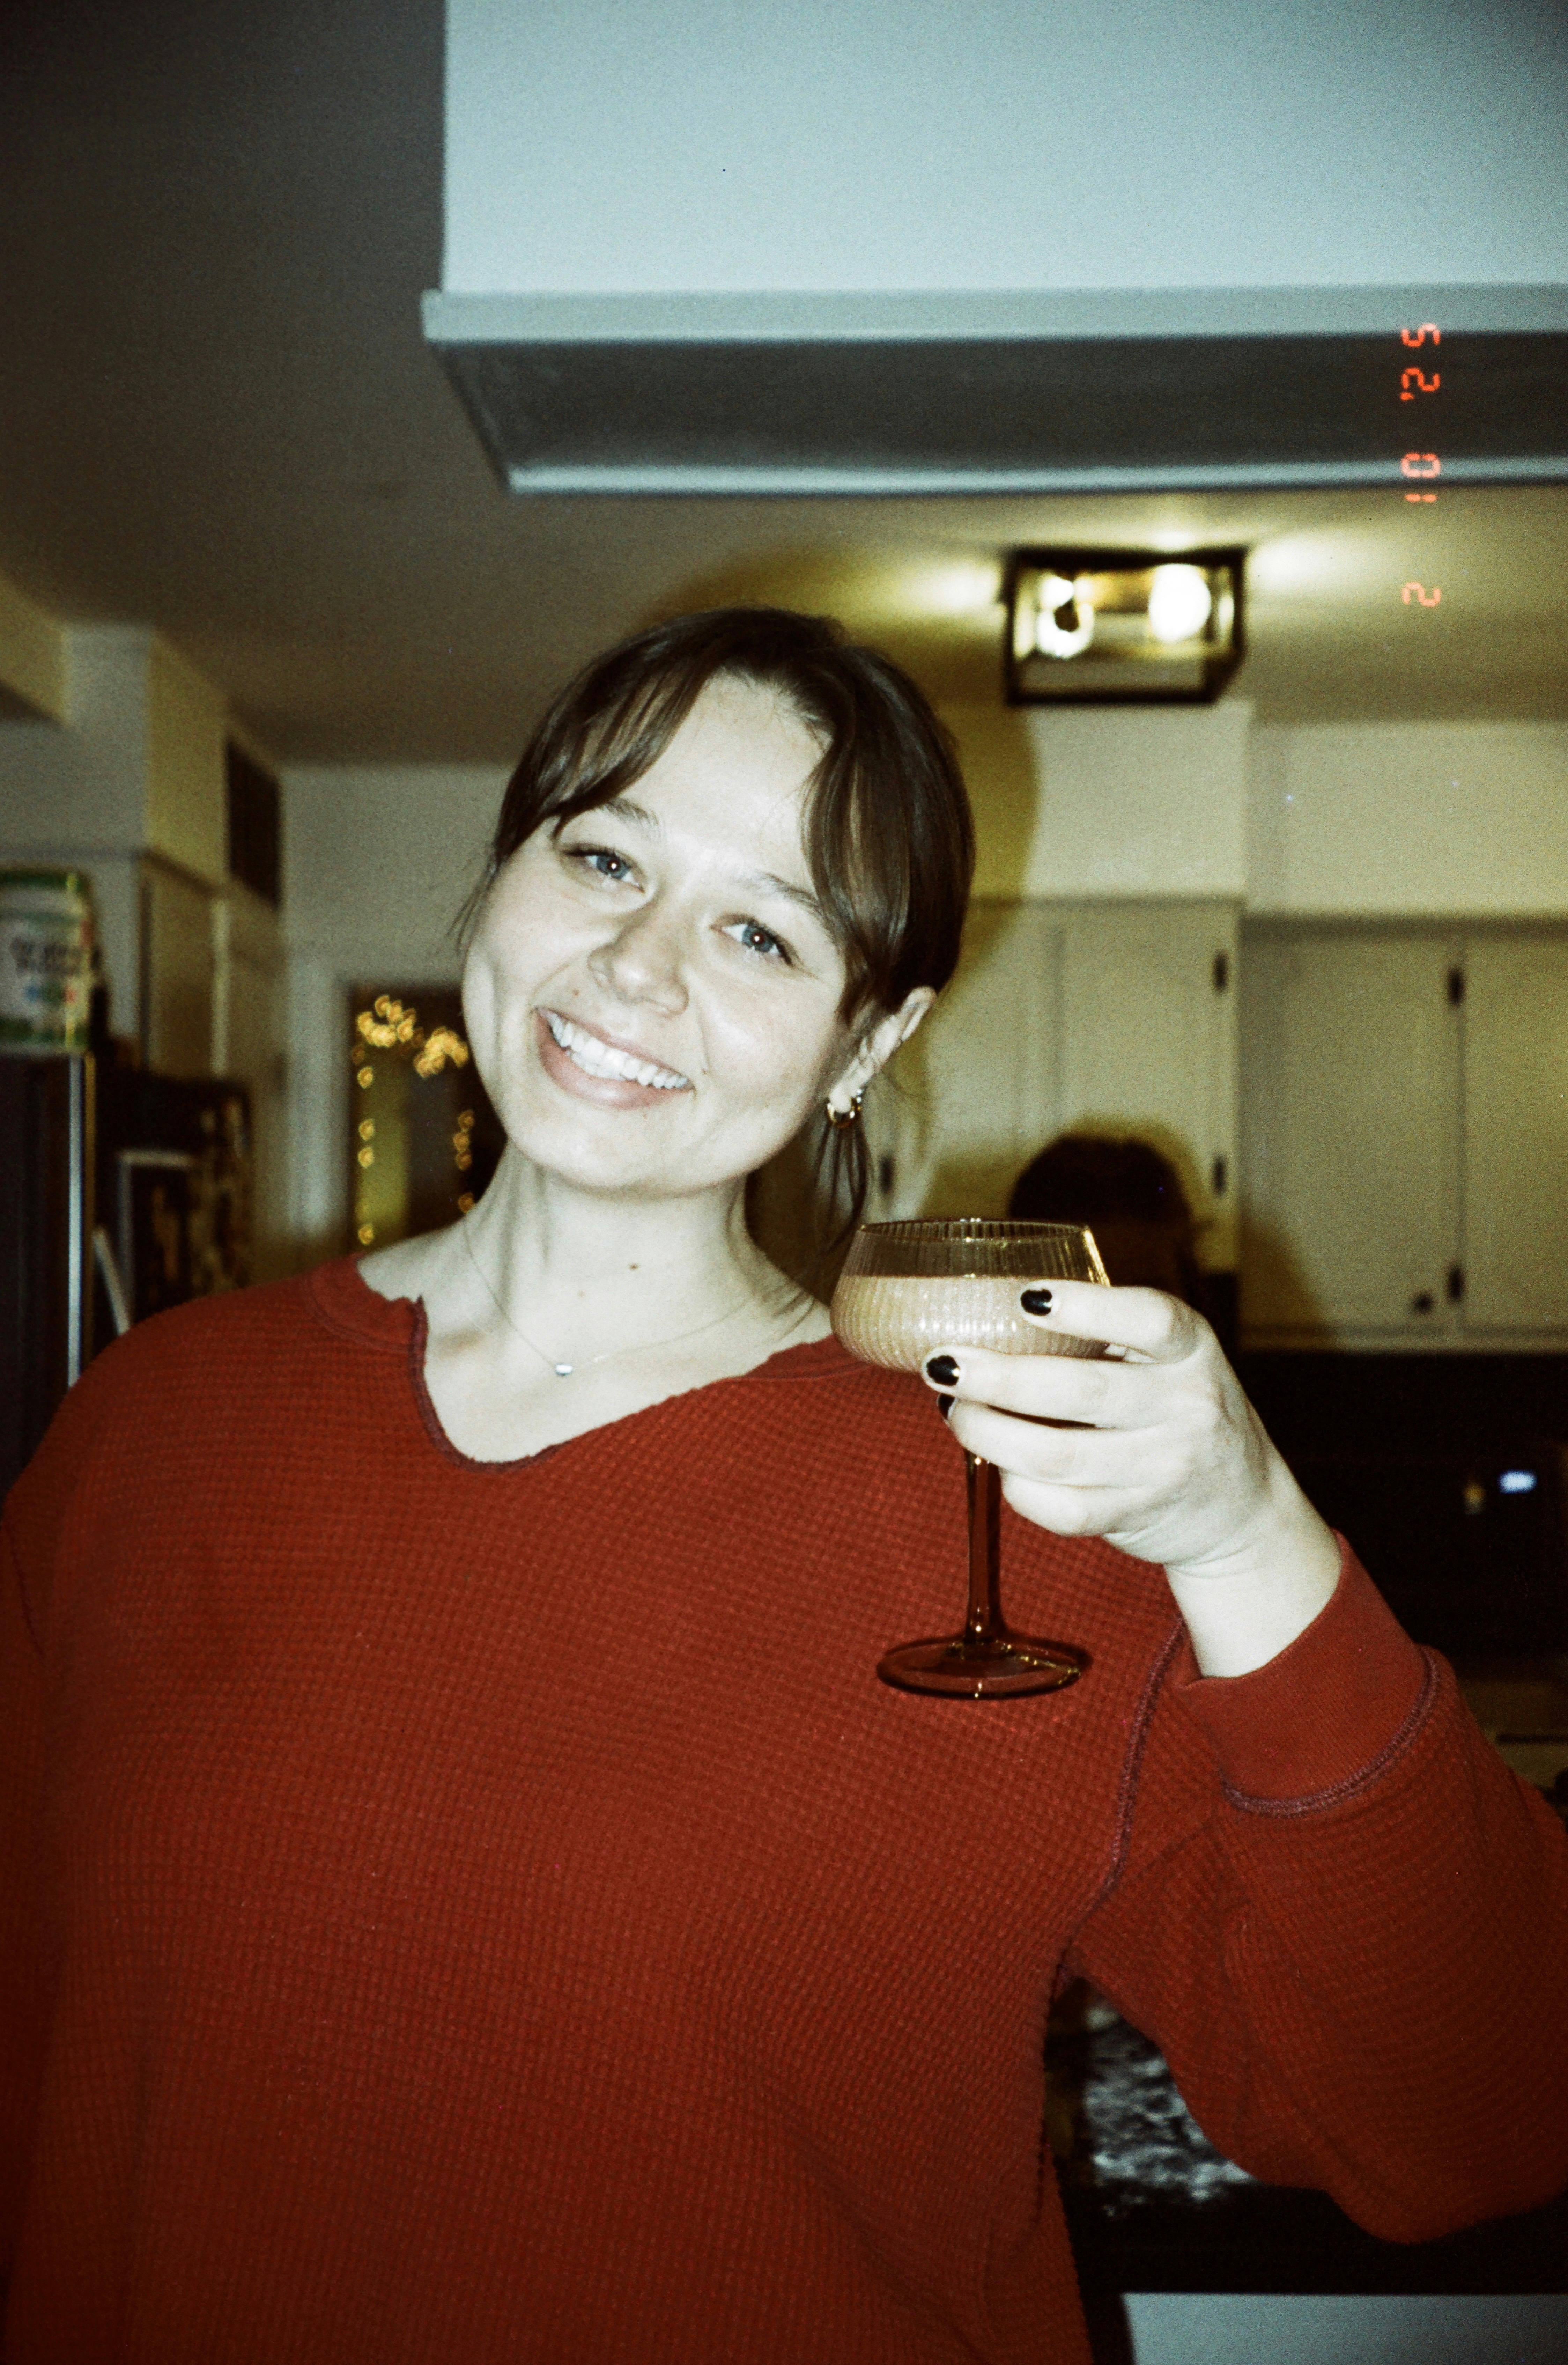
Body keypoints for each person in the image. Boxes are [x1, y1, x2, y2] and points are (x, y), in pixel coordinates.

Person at [2, 609, 1564, 2365]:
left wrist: (1245, 1528)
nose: (638, 967)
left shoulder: (1010, 1512)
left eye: (758, 928)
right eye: (602, 857)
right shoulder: (152, 1430)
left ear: (865, 1040)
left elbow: (1477, 2111)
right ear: (502, 874)